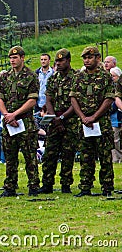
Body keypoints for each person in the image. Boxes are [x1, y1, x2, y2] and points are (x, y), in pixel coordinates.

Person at [0, 46, 40, 197]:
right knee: (10, 156)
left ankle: (33, 185)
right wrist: (7, 114)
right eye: (11, 58)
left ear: (22, 58)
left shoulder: (31, 76)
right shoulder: (5, 76)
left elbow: (32, 100)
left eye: (15, 58)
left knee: (29, 156)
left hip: (25, 122)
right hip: (9, 123)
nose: (12, 60)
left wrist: (15, 114)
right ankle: (10, 186)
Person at [70, 46, 115, 197]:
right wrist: (83, 117)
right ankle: (85, 186)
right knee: (85, 156)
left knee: (105, 156)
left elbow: (109, 99)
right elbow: (73, 98)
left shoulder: (105, 76)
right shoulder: (79, 77)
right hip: (84, 123)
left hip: (101, 122)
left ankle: (107, 186)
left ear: (98, 58)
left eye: (90, 57)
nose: (87, 60)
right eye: (85, 58)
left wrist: (94, 117)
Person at [38, 48, 78, 194]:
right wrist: (54, 117)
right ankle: (47, 184)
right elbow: (48, 99)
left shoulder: (76, 77)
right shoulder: (54, 78)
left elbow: (76, 102)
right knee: (50, 154)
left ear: (68, 61)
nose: (59, 63)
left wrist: (62, 118)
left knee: (68, 154)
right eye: (57, 61)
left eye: (61, 61)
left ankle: (66, 184)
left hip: (70, 120)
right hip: (54, 120)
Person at [110, 67, 122, 163]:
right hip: (115, 117)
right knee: (115, 139)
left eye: (113, 76)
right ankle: (116, 158)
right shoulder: (111, 87)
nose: (112, 78)